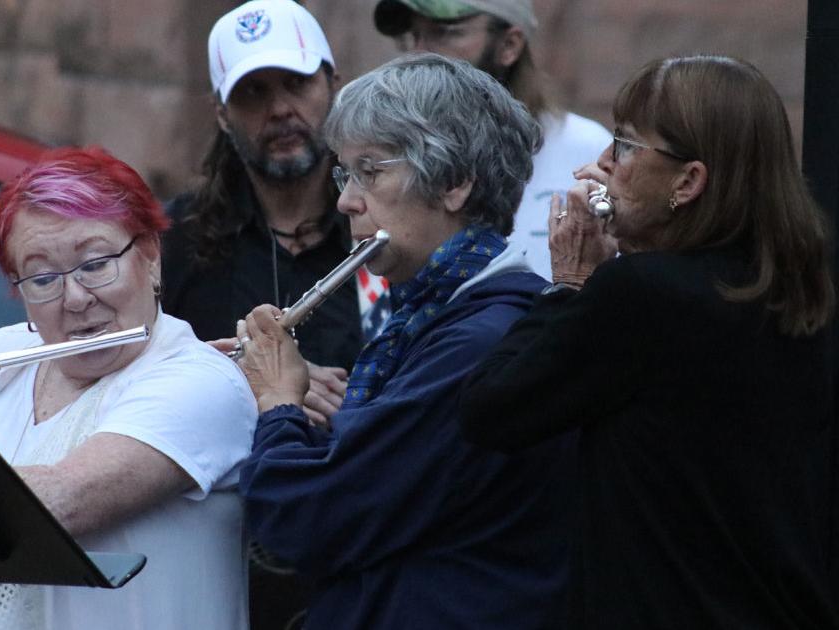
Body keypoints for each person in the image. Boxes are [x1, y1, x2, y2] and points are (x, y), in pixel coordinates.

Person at [460, 55, 838, 628]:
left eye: (627, 146)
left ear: (688, 182)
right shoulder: (800, 287)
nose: (603, 163)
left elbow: (491, 409)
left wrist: (568, 283)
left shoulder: (642, 294)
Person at [234, 53, 575, 630]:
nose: (345, 201)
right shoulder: (432, 318)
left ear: (454, 182)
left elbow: (307, 520)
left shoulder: (480, 340)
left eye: (370, 171)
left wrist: (279, 402)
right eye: (345, 173)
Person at [0, 147, 258, 628]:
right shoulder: (1, 353)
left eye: (96, 264)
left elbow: (59, 503)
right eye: (43, 278)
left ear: (150, 257)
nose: (76, 298)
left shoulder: (201, 381)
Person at [162, 0, 371, 427]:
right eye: (252, 92)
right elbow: (133, 375)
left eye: (296, 83)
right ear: (222, 115)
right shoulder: (177, 237)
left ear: (334, 85)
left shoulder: (382, 222)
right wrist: (249, 382)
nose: (278, 110)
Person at [372, 0, 611, 279]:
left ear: (509, 45)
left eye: (447, 31)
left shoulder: (585, 149)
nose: (420, 52)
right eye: (414, 35)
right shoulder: (399, 157)